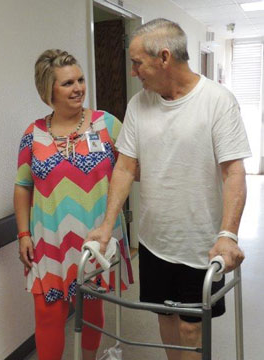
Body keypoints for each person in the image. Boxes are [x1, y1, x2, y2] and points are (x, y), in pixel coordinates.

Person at [85, 18, 251, 360]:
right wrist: (105, 226)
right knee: (164, 315)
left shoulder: (218, 101)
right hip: (154, 240)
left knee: (191, 327)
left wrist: (228, 234)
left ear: (164, 58)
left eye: (137, 63)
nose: (133, 72)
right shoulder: (138, 105)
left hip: (201, 242)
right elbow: (125, 167)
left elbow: (234, 171)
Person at [14, 49, 133, 360]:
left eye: (80, 80)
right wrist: (23, 234)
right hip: (48, 239)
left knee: (91, 307)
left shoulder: (106, 124)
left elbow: (130, 171)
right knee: (48, 312)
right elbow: (23, 186)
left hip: (96, 235)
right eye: (67, 83)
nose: (78, 88)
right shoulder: (33, 134)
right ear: (48, 90)